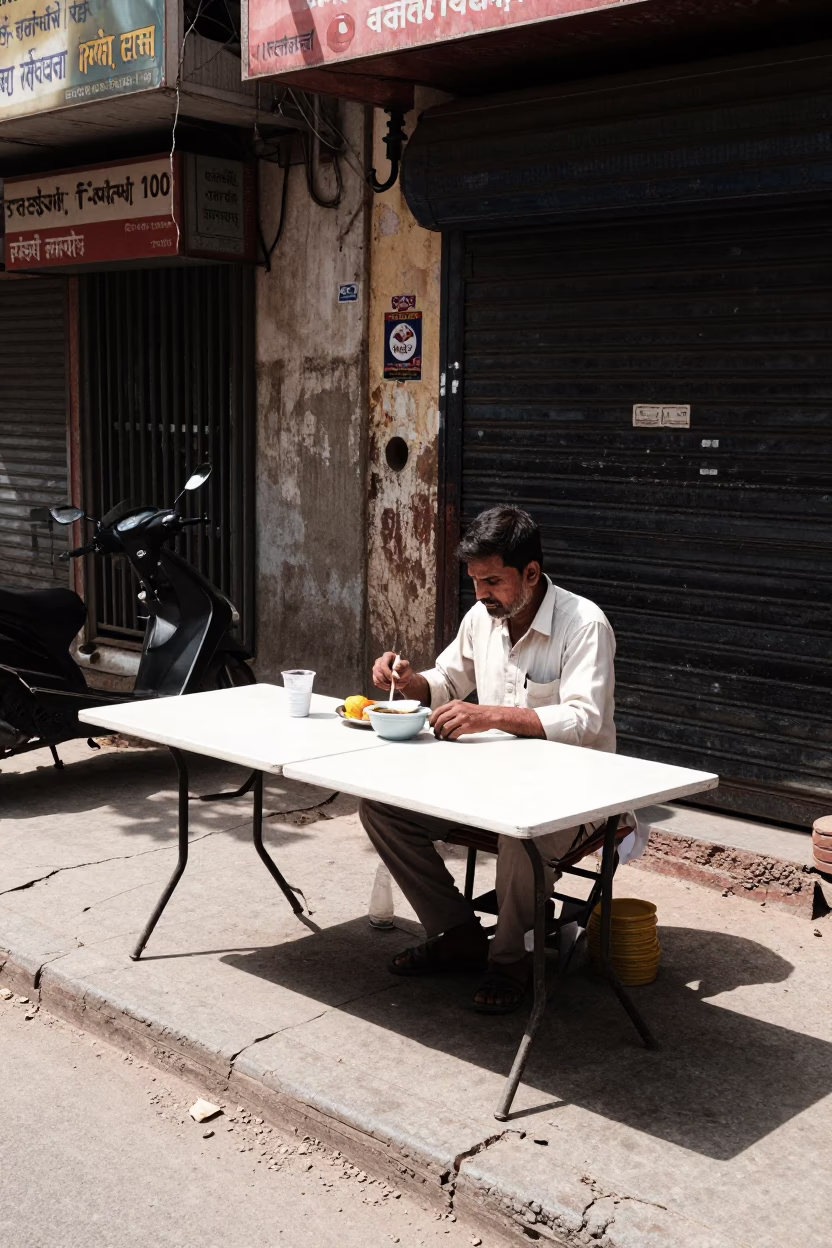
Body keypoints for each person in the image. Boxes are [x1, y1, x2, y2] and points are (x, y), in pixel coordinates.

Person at [359, 504, 622, 1014]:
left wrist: (493, 716)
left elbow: (586, 722)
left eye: (493, 581)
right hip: (490, 788)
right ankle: (456, 934)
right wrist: (410, 682)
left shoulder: (584, 624)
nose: (481, 594)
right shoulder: (483, 617)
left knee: (516, 835)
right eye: (476, 582)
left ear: (530, 572)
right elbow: (446, 683)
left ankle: (510, 962)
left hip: (577, 798)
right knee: (379, 809)